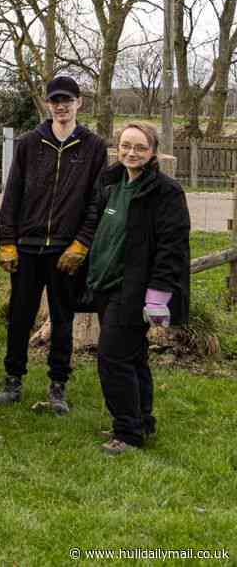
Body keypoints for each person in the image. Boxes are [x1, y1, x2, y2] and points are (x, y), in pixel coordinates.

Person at [0, 76, 108, 412]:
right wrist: (7, 241)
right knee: (20, 316)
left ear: (79, 103)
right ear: (47, 104)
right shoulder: (30, 143)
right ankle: (13, 379)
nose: (61, 106)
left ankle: (58, 385)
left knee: (62, 318)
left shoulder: (93, 147)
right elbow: (12, 193)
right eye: (55, 100)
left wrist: (82, 244)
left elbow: (96, 202)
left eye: (67, 100)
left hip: (65, 249)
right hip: (28, 246)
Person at [85, 122, 189, 455]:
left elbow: (172, 248)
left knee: (112, 358)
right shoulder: (112, 183)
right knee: (133, 358)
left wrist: (158, 296)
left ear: (153, 152)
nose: (131, 153)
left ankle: (127, 433)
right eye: (126, 146)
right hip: (105, 285)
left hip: (133, 290)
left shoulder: (165, 192)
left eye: (140, 148)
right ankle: (142, 420)